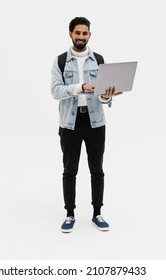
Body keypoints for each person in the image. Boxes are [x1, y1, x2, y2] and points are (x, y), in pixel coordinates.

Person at [51, 17, 122, 233]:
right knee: (69, 170)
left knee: (97, 170)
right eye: (77, 33)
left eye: (85, 33)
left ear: (90, 35)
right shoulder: (61, 61)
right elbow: (55, 91)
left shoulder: (99, 60)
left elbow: (102, 97)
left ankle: (97, 213)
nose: (81, 37)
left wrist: (107, 96)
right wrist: (80, 86)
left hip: (95, 122)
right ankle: (70, 214)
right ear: (70, 34)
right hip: (70, 123)